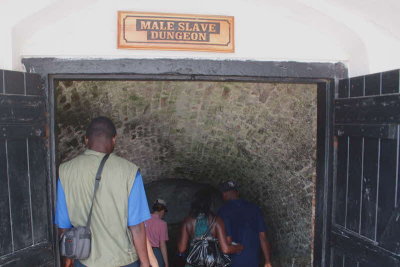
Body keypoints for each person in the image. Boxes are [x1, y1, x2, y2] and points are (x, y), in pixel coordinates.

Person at [55, 116, 151, 267]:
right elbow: (137, 227)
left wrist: (67, 261)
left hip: (84, 260)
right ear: (114, 139)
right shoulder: (130, 172)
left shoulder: (65, 171)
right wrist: (146, 263)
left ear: (86, 139)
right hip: (123, 260)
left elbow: (63, 226)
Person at [177, 189, 244, 267]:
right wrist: (239, 247)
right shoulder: (217, 221)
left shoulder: (187, 221)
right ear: (210, 204)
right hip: (212, 263)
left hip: (193, 263)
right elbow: (225, 249)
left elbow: (181, 249)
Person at [218, 180, 272, 267]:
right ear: (237, 192)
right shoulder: (255, 208)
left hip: (233, 261)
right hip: (253, 260)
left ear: (224, 195)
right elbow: (263, 237)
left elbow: (226, 240)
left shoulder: (223, 211)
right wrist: (267, 261)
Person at [145, 199, 169, 267]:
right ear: (162, 210)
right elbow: (162, 245)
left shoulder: (144, 219)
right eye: (164, 211)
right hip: (155, 253)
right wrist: (166, 263)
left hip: (144, 251)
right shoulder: (162, 224)